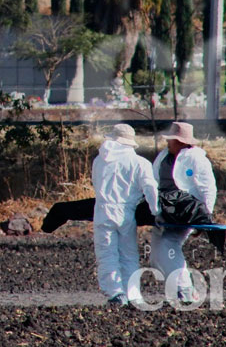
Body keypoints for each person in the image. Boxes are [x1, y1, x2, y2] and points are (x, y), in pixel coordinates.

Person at [92, 123, 159, 306]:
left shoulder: (99, 160)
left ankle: (115, 293)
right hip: (126, 213)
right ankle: (133, 293)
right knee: (128, 253)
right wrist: (155, 211)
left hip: (103, 211)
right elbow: (150, 188)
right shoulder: (140, 163)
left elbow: (95, 183)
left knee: (107, 253)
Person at [150, 121, 217, 302]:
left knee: (168, 244)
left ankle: (185, 290)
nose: (168, 143)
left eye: (171, 140)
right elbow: (152, 181)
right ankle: (182, 287)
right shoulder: (163, 156)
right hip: (163, 211)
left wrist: (205, 217)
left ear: (180, 142)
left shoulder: (197, 159)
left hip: (186, 211)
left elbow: (208, 188)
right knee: (156, 253)